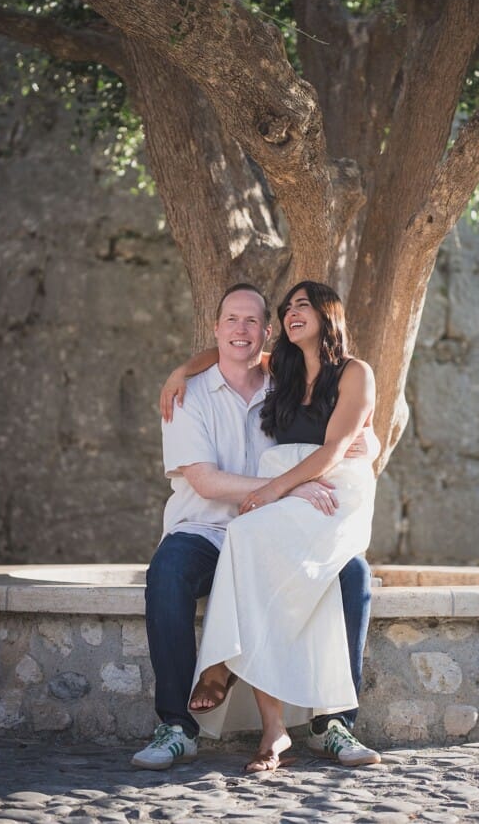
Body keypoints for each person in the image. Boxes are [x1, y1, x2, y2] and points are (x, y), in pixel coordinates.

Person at [132, 283, 378, 772]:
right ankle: (177, 728)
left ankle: (334, 722)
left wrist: (363, 444)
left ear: (266, 332)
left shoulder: (282, 375)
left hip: (278, 525)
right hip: (206, 529)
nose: (240, 330)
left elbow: (345, 431)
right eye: (230, 321)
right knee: (167, 572)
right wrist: (180, 370)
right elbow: (201, 480)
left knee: (353, 574)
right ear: (216, 327)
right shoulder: (188, 394)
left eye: (252, 321)